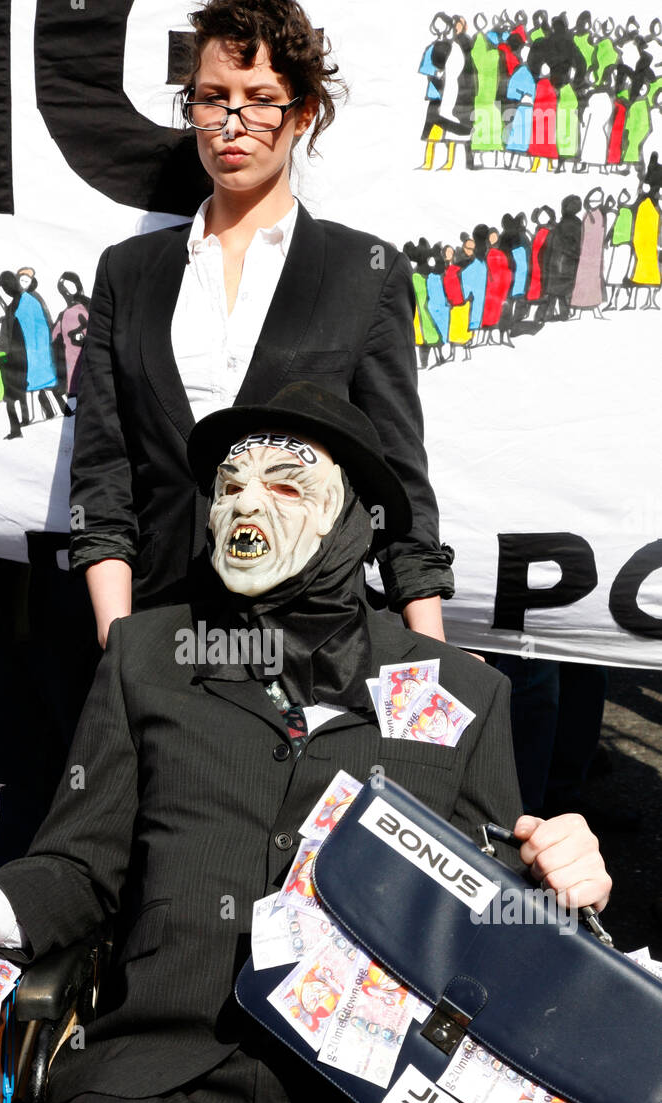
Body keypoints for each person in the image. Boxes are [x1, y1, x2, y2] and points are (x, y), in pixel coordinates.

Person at [0, 385, 611, 1103]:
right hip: (162, 1082)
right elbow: (79, 865)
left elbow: (494, 924)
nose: (244, 505)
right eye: (228, 486)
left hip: (373, 1099)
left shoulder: (460, 690)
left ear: (353, 518)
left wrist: (557, 882)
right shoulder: (150, 657)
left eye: (285, 485)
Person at [70, 0, 456, 657]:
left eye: (261, 100)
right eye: (212, 98)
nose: (232, 123)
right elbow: (104, 476)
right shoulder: (127, 272)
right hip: (161, 641)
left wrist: (434, 653)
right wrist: (120, 642)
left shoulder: (366, 275)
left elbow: (398, 483)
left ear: (303, 113)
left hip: (312, 644)